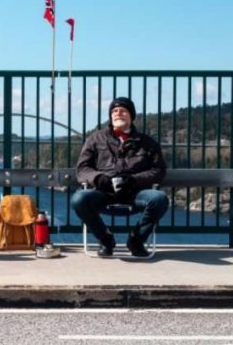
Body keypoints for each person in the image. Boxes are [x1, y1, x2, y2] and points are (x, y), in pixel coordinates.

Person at [71, 97, 168, 257]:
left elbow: (158, 170)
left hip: (135, 193)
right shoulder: (95, 139)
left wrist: (134, 180)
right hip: (104, 193)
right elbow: (82, 169)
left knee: (159, 199)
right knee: (78, 199)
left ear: (131, 116)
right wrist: (98, 178)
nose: (118, 113)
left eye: (123, 111)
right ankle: (105, 239)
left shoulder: (147, 143)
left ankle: (136, 240)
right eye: (114, 111)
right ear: (110, 116)